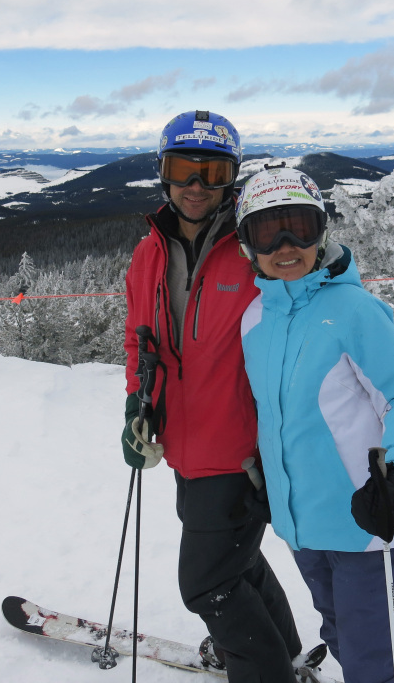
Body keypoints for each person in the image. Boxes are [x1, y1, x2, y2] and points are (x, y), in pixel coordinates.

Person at [121, 111, 321, 682]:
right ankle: (284, 658)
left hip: (242, 450)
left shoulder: (256, 249)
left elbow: (313, 316)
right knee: (237, 564)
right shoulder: (149, 255)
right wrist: (137, 404)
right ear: (163, 172)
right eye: (183, 168)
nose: (196, 185)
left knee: (208, 582)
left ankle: (263, 672)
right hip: (183, 444)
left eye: (213, 172)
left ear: (231, 179)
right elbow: (141, 341)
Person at [235, 164, 394, 683]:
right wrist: (272, 485)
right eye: (266, 230)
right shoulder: (255, 320)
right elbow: (276, 415)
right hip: (305, 528)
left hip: (367, 525)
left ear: (321, 232)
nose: (285, 245)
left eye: (299, 227)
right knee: (343, 638)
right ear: (246, 242)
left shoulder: (354, 310)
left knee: (377, 664)